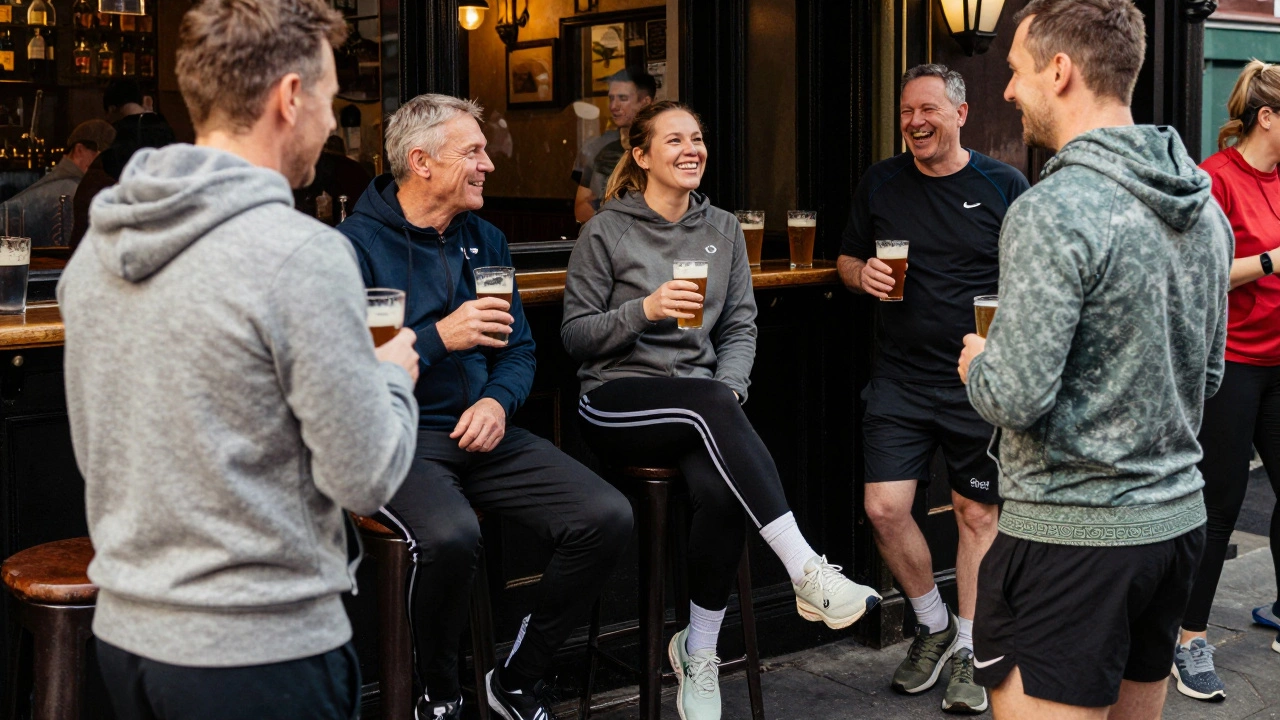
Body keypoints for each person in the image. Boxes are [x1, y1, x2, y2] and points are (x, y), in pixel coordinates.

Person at [57, 1, 421, 718]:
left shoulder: (99, 247)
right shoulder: (302, 254)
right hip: (261, 649)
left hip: (128, 637)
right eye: (328, 99)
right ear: (290, 97)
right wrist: (391, 378)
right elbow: (365, 479)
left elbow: (97, 451)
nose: (330, 121)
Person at [563, 100, 882, 720]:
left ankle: (698, 650)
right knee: (710, 410)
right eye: (675, 140)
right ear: (641, 155)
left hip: (703, 410)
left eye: (698, 139)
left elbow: (739, 325)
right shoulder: (606, 230)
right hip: (618, 401)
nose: (692, 150)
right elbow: (576, 336)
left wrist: (730, 389)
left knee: (724, 488)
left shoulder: (724, 229)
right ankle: (805, 569)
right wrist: (646, 309)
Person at [958, 1, 1233, 718]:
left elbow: (1015, 397)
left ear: (1060, 70)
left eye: (1015, 71)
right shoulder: (1205, 208)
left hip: (1070, 539)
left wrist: (978, 363)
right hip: (1174, 526)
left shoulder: (1052, 208)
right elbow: (1208, 376)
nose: (1008, 90)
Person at [337, 93, 633, 720]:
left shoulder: (487, 240)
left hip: (484, 432)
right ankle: (439, 695)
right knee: (451, 535)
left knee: (605, 516)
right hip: (396, 438)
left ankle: (516, 677)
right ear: (421, 162)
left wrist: (498, 403)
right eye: (472, 152)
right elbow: (340, 374)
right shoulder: (352, 249)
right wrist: (441, 336)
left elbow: (519, 349)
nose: (488, 164)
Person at [836, 63, 1028, 714]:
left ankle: (971, 647)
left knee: (977, 515)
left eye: (928, 110)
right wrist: (861, 275)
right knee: (884, 508)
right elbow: (848, 256)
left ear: (961, 114)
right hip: (900, 376)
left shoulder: (1004, 185)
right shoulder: (881, 181)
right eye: (906, 112)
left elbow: (1035, 278)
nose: (915, 122)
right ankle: (934, 625)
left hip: (976, 378)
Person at [1173, 59, 1280, 701]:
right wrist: (1271, 259)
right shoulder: (1216, 179)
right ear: (1267, 117)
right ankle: (1189, 639)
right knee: (1222, 507)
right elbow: (1200, 270)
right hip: (1233, 363)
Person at [69, 79, 178, 250]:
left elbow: (86, 226)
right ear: (145, 101)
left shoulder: (111, 153)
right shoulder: (170, 137)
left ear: (112, 109)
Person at [5, 119, 115, 246]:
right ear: (79, 150)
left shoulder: (55, 185)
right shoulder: (74, 192)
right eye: (101, 156)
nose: (105, 163)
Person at [571, 66, 655, 222]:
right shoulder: (596, 147)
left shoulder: (661, 147)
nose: (613, 106)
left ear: (645, 103)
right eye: (611, 98)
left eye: (622, 98)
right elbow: (581, 210)